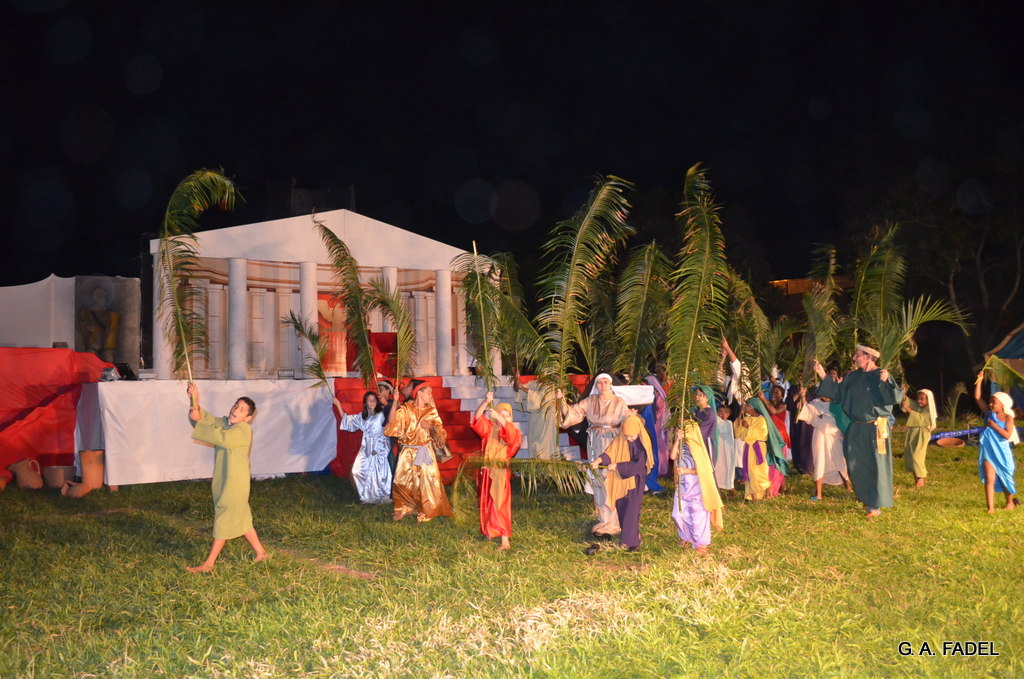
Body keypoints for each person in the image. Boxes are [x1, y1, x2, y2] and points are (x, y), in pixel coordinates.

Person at [185, 383, 267, 573]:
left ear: (248, 418)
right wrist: (194, 400)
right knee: (242, 519)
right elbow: (206, 420)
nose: (236, 410)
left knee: (223, 519)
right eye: (236, 406)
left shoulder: (243, 430)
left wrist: (199, 422)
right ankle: (262, 553)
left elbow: (220, 437)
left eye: (242, 410)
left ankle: (209, 564)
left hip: (235, 482)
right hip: (226, 479)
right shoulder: (225, 423)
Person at [813, 345, 903, 518]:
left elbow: (895, 397)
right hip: (856, 426)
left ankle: (874, 505)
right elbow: (838, 393)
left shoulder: (881, 374)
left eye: (858, 355)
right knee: (856, 463)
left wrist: (887, 381)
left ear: (868, 356)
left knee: (875, 464)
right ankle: (866, 497)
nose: (854, 358)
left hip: (876, 428)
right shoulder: (853, 376)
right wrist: (822, 374)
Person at [558, 373, 631, 538]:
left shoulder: (619, 402)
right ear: (596, 385)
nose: (603, 385)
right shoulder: (590, 401)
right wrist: (561, 401)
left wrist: (635, 420)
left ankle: (615, 521)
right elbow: (573, 413)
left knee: (611, 480)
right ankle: (604, 520)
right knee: (598, 480)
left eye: (605, 382)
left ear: (610, 384)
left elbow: (629, 420)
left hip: (613, 442)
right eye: (599, 383)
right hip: (595, 443)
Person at [384, 379, 453, 522]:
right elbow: (392, 422)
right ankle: (403, 507)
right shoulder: (406, 409)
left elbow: (441, 434)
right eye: (429, 392)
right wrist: (395, 402)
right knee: (403, 482)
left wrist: (430, 427)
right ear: (419, 393)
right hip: (408, 452)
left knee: (428, 482)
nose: (431, 395)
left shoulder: (431, 411)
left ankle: (428, 510)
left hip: (425, 451)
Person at [590, 414, 652, 552]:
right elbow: (610, 452)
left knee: (631, 510)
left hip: (634, 481)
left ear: (638, 432)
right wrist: (598, 461)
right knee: (622, 505)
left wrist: (618, 466)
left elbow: (638, 465)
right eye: (627, 436)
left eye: (632, 436)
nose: (629, 439)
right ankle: (631, 534)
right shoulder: (621, 438)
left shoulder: (641, 445)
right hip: (620, 480)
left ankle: (631, 543)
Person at [471, 392, 523, 549]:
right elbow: (477, 417)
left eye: (507, 416)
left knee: (501, 504)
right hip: (487, 471)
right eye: (501, 414)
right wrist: (486, 402)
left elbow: (510, 438)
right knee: (486, 502)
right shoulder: (490, 429)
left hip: (500, 472)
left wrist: (500, 418)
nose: (504, 418)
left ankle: (505, 539)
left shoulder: (514, 432)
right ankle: (489, 531)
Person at [670, 420, 724, 554]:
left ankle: (701, 543)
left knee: (698, 516)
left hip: (696, 486)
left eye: (684, 430)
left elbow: (704, 471)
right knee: (678, 514)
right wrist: (677, 440)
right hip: (682, 486)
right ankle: (685, 536)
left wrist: (687, 471)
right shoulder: (681, 446)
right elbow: (672, 456)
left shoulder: (698, 448)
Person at [334, 391, 392, 504]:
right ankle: (366, 496)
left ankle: (381, 495)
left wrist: (379, 449)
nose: (372, 402)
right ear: (365, 402)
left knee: (378, 472)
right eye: (370, 400)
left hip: (378, 447)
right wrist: (338, 405)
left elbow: (385, 432)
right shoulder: (362, 417)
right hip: (366, 447)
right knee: (357, 470)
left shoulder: (380, 415)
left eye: (374, 400)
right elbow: (347, 420)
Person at [973, 373, 1018, 513]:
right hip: (988, 451)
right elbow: (977, 397)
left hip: (1002, 452)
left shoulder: (1008, 418)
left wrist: (994, 426)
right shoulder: (988, 413)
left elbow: (1007, 435)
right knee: (989, 478)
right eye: (990, 401)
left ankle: (1010, 502)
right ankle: (990, 508)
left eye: (994, 402)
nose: (990, 404)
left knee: (1005, 477)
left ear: (1003, 405)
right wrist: (980, 380)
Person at [797, 386, 852, 500]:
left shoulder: (836, 404)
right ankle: (818, 493)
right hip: (820, 437)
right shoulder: (815, 403)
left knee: (840, 461)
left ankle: (848, 487)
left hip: (834, 437)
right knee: (820, 461)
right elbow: (807, 411)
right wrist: (802, 396)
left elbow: (840, 419)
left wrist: (823, 417)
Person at [512, 372, 560, 459]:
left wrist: (522, 388)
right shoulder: (534, 383)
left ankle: (548, 467)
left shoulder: (551, 386)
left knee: (546, 449)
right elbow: (519, 389)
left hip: (547, 420)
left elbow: (541, 399)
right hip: (535, 420)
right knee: (535, 447)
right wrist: (516, 380)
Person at [901, 388, 936, 488]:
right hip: (913, 433)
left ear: (928, 400)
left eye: (922, 399)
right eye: (918, 398)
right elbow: (908, 402)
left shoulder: (929, 410)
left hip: (922, 435)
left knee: (917, 456)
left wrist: (908, 409)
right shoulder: (917, 406)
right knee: (911, 454)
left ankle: (921, 480)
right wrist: (903, 393)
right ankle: (916, 479)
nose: (919, 401)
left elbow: (921, 418)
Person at [713, 403, 740, 493]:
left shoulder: (728, 423)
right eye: (719, 411)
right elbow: (719, 429)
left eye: (724, 412)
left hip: (728, 449)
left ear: (728, 414)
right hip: (719, 448)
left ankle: (730, 487)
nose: (721, 414)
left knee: (729, 467)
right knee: (719, 467)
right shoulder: (716, 421)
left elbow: (728, 433)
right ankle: (718, 486)